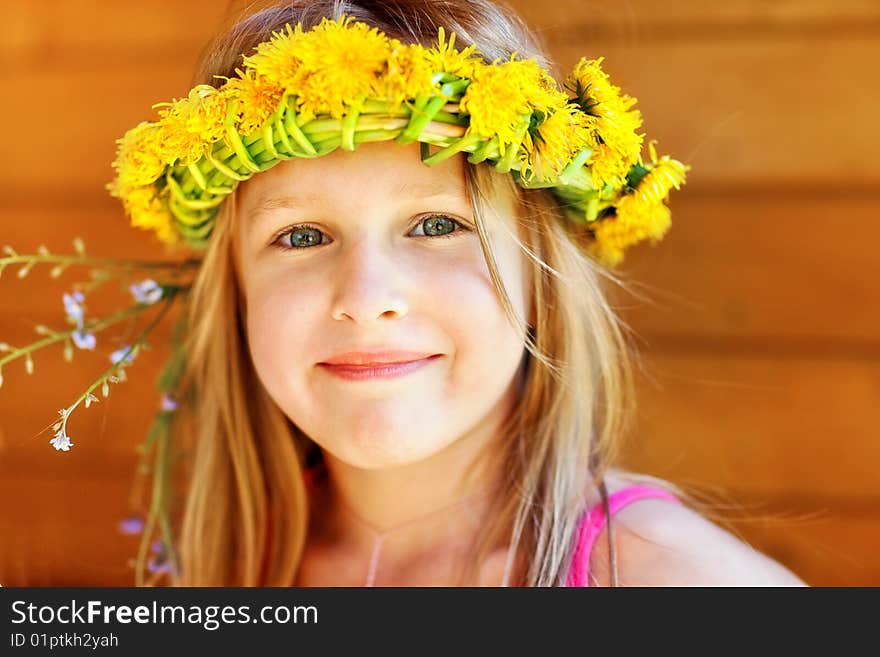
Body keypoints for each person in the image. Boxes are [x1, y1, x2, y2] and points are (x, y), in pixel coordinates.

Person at [7, 0, 806, 586]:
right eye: (301, 235)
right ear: (238, 291)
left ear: (540, 271)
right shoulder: (230, 566)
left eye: (434, 225)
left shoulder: (673, 582)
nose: (367, 296)